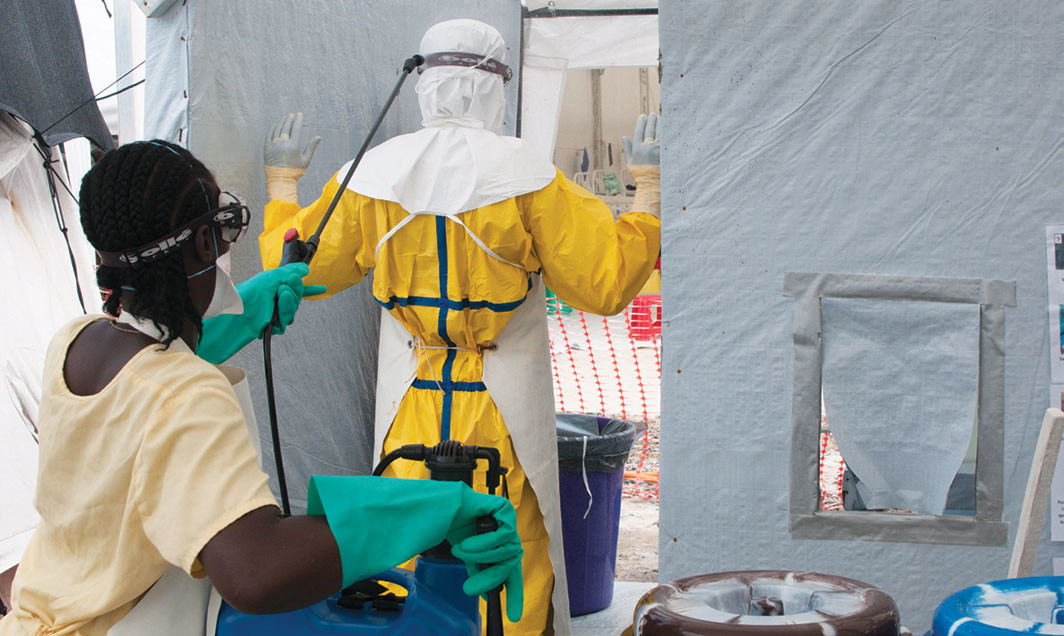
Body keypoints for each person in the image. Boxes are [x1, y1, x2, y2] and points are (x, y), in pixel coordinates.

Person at [0, 140, 522, 635]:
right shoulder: (187, 395)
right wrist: (431, 511)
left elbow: (141, 386)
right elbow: (256, 570)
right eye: (224, 232)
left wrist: (242, 311)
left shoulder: (74, 342)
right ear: (205, 243)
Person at [258, 19, 661, 636]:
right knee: (507, 540)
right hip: (501, 403)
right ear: (495, 86)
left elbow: (294, 273)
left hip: (412, 399)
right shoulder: (530, 178)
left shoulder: (369, 178)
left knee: (406, 538)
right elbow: (603, 283)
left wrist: (281, 185)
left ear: (426, 83)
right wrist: (647, 192)